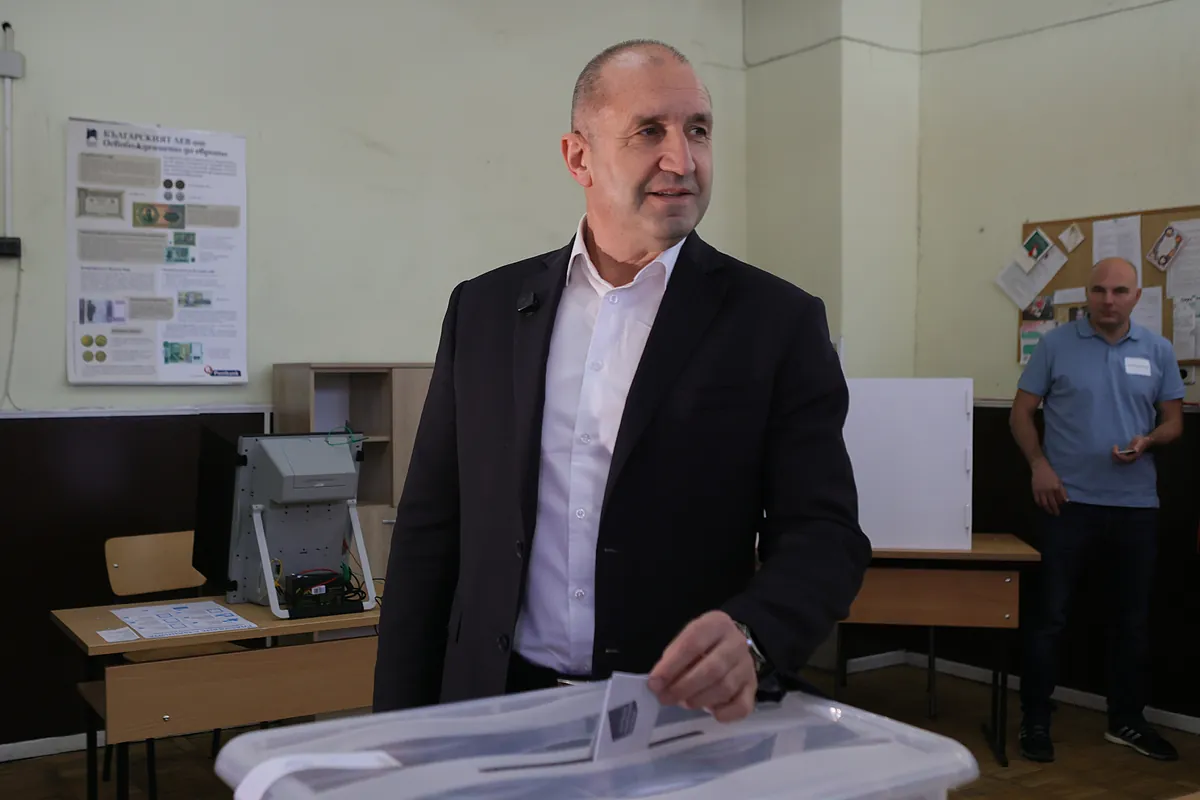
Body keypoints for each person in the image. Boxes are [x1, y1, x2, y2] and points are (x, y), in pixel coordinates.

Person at [372, 39, 869, 723]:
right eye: (649, 132)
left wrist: (754, 634)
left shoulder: (775, 322)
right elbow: (431, 528)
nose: (682, 160)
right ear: (578, 157)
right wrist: (397, 727)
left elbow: (824, 533)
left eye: (699, 130)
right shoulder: (484, 310)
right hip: (492, 707)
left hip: (673, 717)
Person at [1010, 257, 1184, 762]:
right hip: (1065, 504)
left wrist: (1148, 440)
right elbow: (1021, 413)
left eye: (1119, 291)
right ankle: (1035, 720)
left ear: (1136, 296)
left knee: (1131, 622)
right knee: (1048, 618)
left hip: (1136, 507)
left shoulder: (1158, 349)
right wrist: (1039, 465)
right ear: (1087, 294)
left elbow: (1174, 421)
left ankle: (1126, 721)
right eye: (1099, 290)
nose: (1108, 300)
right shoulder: (1055, 344)